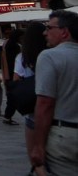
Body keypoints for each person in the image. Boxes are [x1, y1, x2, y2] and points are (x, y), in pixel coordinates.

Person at [30, 10, 78, 176]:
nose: (45, 32)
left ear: (64, 32)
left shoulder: (49, 56)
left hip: (65, 134)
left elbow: (45, 103)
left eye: (49, 28)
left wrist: (37, 146)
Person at [16, 22, 47, 167]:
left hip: (32, 108)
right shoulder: (50, 53)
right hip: (53, 109)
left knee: (36, 159)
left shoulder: (22, 57)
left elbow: (16, 78)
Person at [1, 28, 24, 125]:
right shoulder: (14, 46)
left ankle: (8, 116)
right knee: (13, 97)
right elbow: (16, 62)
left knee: (11, 96)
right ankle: (7, 116)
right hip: (12, 74)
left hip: (7, 74)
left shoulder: (6, 44)